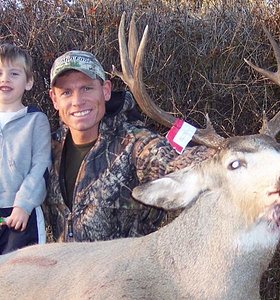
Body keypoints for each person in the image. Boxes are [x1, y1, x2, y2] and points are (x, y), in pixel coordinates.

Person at [44, 50, 214, 242]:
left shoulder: (135, 144)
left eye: (87, 89)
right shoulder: (45, 148)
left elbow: (174, 163)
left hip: (126, 271)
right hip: (63, 269)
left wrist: (224, 158)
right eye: (66, 92)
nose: (77, 101)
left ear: (106, 90)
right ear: (54, 99)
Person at [0, 43, 52, 254]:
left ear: (28, 82)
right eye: (0, 73)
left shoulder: (36, 121)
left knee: (23, 280)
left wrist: (23, 205)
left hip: (22, 217)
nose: (5, 79)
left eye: (14, 73)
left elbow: (41, 167)